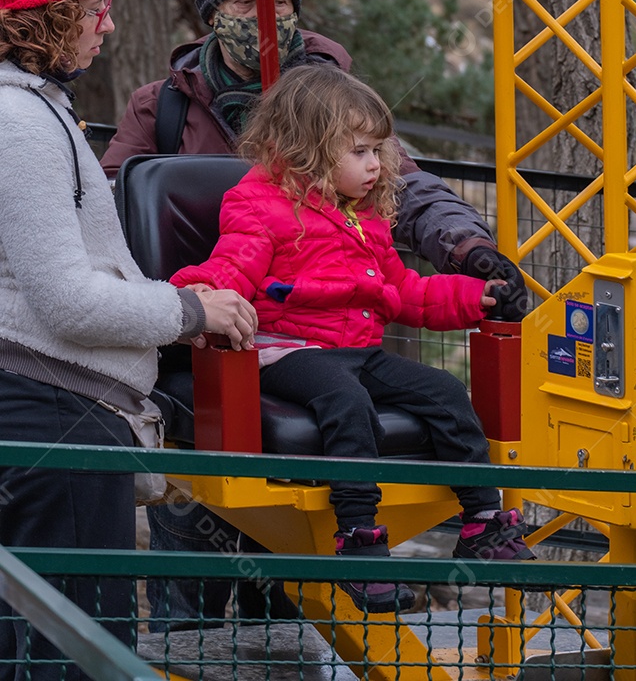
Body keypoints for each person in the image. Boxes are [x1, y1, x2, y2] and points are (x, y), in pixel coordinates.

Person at [100, 0, 529, 627]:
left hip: (336, 340)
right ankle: (200, 633)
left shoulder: (338, 111)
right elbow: (119, 217)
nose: (267, 19)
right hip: (236, 350)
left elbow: (406, 195)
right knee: (197, 584)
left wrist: (467, 256)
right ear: (213, 13)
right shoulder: (167, 107)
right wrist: (172, 309)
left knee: (288, 605)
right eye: (246, 6)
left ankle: (468, 519)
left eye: (282, 5)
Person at [0, 0, 257, 679]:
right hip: (54, 427)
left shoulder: (36, 113)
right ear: (46, 16)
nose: (106, 27)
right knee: (76, 660)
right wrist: (192, 312)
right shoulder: (22, 125)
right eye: (95, 10)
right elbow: (69, 302)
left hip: (51, 423)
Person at [171, 65, 535, 615]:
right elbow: (231, 268)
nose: (375, 166)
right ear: (308, 148)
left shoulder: (364, 218)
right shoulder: (259, 205)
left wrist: (473, 298)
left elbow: (403, 291)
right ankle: (360, 538)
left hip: (356, 349)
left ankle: (483, 520)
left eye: (378, 152)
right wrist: (190, 300)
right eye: (360, 151)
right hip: (285, 347)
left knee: (442, 390)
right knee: (345, 400)